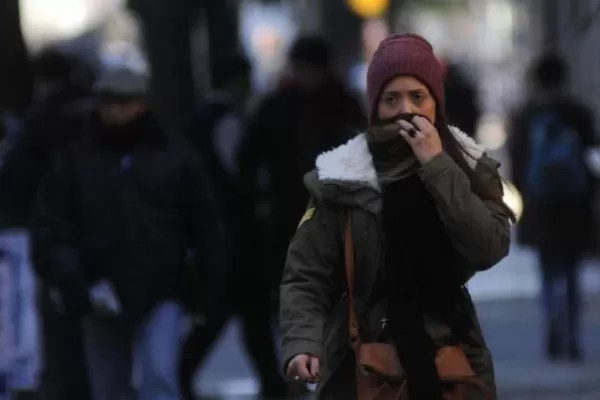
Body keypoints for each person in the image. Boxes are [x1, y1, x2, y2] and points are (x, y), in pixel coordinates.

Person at [279, 33, 514, 399]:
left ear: (436, 103)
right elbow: (305, 276)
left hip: (453, 362)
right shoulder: (341, 178)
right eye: (392, 99)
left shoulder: (465, 165)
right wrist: (302, 343)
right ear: (375, 108)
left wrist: (437, 166)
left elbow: (488, 247)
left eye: (418, 97)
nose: (406, 109)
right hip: (363, 365)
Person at [30, 66, 229, 400]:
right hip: (98, 290)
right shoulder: (74, 161)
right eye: (107, 101)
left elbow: (207, 226)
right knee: (111, 387)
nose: (113, 110)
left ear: (142, 104)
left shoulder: (175, 158)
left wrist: (205, 285)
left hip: (163, 289)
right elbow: (51, 229)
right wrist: (74, 281)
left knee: (160, 378)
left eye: (123, 101)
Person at [180, 54, 289, 399]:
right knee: (243, 314)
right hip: (237, 236)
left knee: (225, 317)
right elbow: (239, 175)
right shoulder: (228, 121)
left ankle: (180, 378)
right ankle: (271, 384)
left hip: (212, 234)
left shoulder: (196, 120)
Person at [508, 53, 596, 361]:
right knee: (572, 272)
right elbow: (592, 158)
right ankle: (571, 335)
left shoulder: (525, 115)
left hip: (540, 205)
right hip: (574, 204)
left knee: (547, 272)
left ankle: (553, 326)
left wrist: (519, 201)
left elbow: (517, 163)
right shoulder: (578, 114)